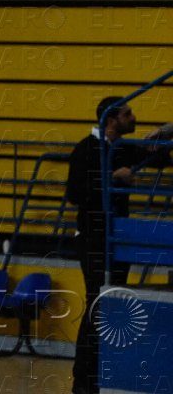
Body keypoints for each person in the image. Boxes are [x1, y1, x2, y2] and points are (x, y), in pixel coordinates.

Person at [66, 97, 169, 394]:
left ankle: (104, 374)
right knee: (97, 304)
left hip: (117, 237)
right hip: (93, 239)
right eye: (127, 114)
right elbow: (75, 193)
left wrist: (160, 137)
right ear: (111, 120)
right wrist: (111, 178)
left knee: (115, 306)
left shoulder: (122, 148)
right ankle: (83, 380)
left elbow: (159, 156)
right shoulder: (85, 149)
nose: (133, 117)